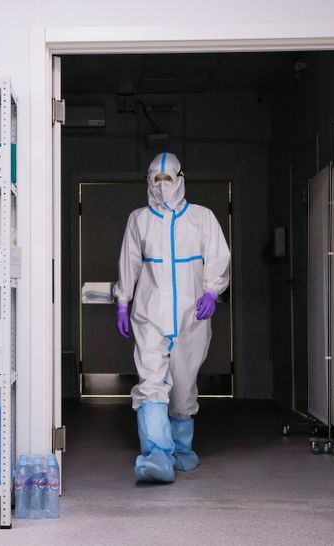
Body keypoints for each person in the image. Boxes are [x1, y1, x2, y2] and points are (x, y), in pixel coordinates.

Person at [115, 152, 230, 482]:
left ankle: (181, 449)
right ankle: (157, 455)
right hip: (149, 314)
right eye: (155, 178)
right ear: (148, 182)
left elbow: (218, 257)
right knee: (151, 383)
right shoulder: (139, 219)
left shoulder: (201, 218)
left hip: (191, 316)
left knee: (182, 386)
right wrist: (123, 302)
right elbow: (129, 263)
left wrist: (211, 291)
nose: (162, 185)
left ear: (180, 179)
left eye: (168, 178)